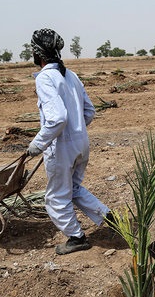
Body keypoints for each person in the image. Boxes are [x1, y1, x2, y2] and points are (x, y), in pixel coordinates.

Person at [27, 28, 112, 255]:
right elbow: (89, 111)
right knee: (73, 188)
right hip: (81, 143)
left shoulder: (45, 77)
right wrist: (77, 130)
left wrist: (38, 144)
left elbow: (57, 118)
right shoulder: (71, 75)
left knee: (56, 197)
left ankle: (76, 237)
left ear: (38, 52)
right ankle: (108, 217)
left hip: (61, 147)